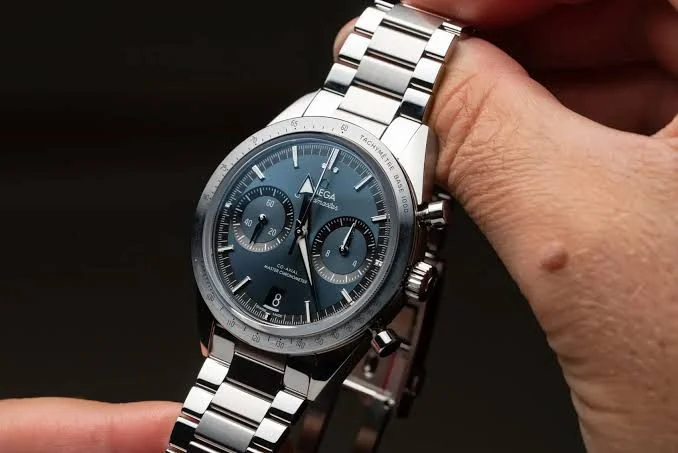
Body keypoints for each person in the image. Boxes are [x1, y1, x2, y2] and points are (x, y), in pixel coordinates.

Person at [2, 0, 676, 451]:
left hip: (301, 311)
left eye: (335, 244)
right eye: (276, 222)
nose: (301, 235)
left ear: (411, 275)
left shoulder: (410, 177)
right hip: (260, 313)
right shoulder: (288, 154)